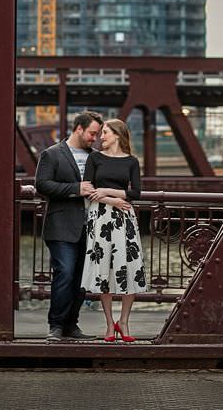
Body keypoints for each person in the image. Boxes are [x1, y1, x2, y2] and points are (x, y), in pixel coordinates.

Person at [34, 110, 104, 342]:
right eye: (92, 133)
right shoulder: (52, 154)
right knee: (64, 273)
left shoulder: (95, 156)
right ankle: (55, 325)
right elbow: (42, 185)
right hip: (61, 225)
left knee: (81, 279)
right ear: (79, 129)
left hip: (91, 227)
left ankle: (71, 325)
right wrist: (75, 189)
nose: (95, 138)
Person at [81, 118, 146, 342]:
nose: (101, 137)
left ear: (118, 135)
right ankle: (110, 324)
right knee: (104, 270)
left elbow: (136, 192)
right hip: (100, 218)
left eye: (106, 133)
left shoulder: (131, 161)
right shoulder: (94, 158)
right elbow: (88, 189)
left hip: (124, 218)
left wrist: (108, 193)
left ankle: (124, 322)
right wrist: (114, 200)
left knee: (129, 267)